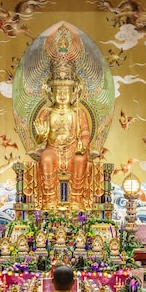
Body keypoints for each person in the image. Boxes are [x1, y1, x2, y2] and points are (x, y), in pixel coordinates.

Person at [34, 60, 91, 209]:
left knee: (80, 159)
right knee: (46, 158)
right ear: (51, 93)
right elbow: (40, 140)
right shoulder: (46, 113)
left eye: (66, 92)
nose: (62, 95)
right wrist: (41, 135)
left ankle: (77, 198)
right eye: (58, 92)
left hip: (72, 148)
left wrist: (82, 146)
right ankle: (50, 198)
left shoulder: (78, 113)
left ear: (73, 93)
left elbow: (85, 134)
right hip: (53, 148)